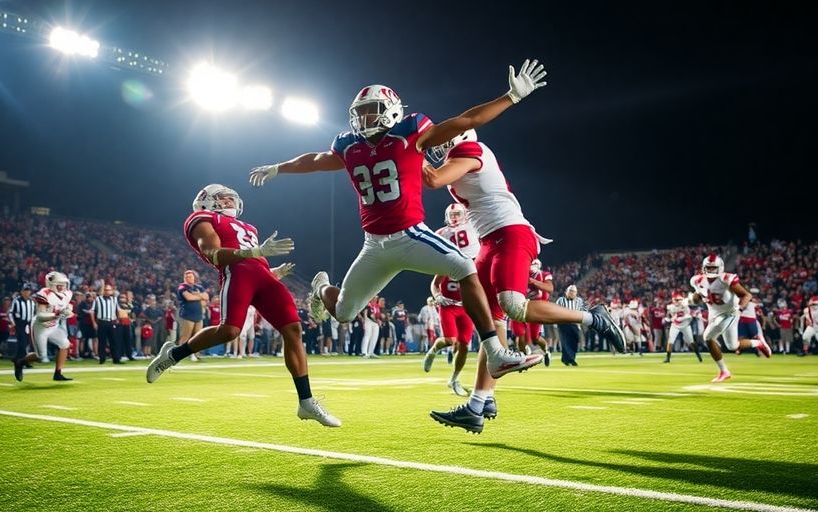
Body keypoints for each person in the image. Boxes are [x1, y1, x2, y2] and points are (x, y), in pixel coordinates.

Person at [249, 62, 555, 383]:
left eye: (373, 110)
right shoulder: (348, 145)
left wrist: (511, 97)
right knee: (343, 313)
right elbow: (313, 160)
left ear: (392, 111)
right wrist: (279, 167)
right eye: (362, 111)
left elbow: (466, 120)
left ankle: (494, 353)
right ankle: (321, 286)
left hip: (411, 235)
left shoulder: (411, 132)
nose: (365, 117)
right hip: (374, 244)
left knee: (465, 268)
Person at [422, 129, 626, 433]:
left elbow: (434, 180)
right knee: (490, 323)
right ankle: (479, 403)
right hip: (490, 239)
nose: (437, 148)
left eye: (444, 140)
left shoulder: (471, 149)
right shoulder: (460, 156)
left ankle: (593, 318)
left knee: (513, 305)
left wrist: (411, 157)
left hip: (510, 232)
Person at [146, 184, 340, 427]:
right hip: (236, 274)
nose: (230, 202)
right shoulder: (200, 218)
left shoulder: (249, 227)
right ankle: (173, 354)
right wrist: (256, 251)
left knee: (293, 330)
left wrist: (271, 271)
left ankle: (306, 401)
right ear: (207, 201)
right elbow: (213, 253)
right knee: (230, 331)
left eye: (231, 199)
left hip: (262, 277)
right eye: (224, 198)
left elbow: (255, 262)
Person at [424, 202, 481, 396]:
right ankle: (434, 349)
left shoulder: (474, 261)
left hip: (466, 307)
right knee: (450, 340)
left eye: (458, 214)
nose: (455, 217)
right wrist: (438, 297)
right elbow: (434, 284)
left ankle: (454, 379)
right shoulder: (447, 260)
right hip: (448, 306)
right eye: (452, 214)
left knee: (464, 345)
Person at [689, 254, 771, 382]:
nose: (710, 271)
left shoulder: (726, 279)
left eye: (713, 268)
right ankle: (758, 342)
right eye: (708, 268)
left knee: (708, 337)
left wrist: (740, 308)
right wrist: (694, 298)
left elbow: (747, 295)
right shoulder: (697, 280)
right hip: (714, 314)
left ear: (720, 267)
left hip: (730, 312)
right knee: (733, 346)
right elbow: (698, 297)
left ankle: (724, 371)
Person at [13, 271, 75, 382]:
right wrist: (58, 314)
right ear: (51, 284)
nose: (62, 287)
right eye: (59, 284)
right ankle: (20, 362)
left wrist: (68, 311)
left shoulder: (67, 293)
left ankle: (58, 373)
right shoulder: (44, 293)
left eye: (64, 284)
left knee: (65, 344)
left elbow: (68, 306)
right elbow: (41, 315)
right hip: (40, 327)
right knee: (41, 356)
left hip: (54, 326)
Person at [663, 292, 701, 363]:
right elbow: (669, 316)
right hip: (675, 325)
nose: (677, 301)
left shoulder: (685, 305)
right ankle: (668, 358)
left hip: (685, 325)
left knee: (691, 342)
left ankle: (698, 355)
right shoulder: (671, 307)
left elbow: (693, 304)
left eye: (678, 300)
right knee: (670, 341)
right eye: (676, 300)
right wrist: (668, 319)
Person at [176, 269, 208, 352]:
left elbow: (207, 297)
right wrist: (200, 297)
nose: (188, 278)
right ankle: (180, 353)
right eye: (186, 277)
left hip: (198, 314)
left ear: (194, 277)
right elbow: (189, 297)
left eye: (190, 277)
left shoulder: (199, 287)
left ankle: (194, 353)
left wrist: (196, 294)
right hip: (187, 315)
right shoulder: (182, 287)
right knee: (185, 336)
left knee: (197, 336)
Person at [555, 285, 585, 366]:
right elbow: (556, 311)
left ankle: (566, 359)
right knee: (566, 341)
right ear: (566, 292)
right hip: (563, 323)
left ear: (576, 293)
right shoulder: (561, 300)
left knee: (575, 340)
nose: (572, 293)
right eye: (570, 291)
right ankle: (571, 359)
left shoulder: (579, 301)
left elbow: (582, 311)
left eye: (573, 291)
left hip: (575, 323)